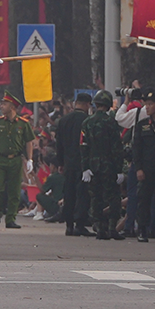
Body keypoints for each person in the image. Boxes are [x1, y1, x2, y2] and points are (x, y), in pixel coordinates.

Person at [0, 94, 36, 228]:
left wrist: (30, 159)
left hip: (16, 159)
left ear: (12, 107)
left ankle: (10, 219)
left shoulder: (23, 124)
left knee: (14, 190)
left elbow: (29, 141)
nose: (1, 106)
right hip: (0, 159)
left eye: (5, 104)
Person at [83, 89, 124, 239]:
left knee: (96, 197)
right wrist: (119, 169)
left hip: (93, 165)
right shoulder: (111, 122)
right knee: (113, 196)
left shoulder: (87, 122)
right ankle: (113, 228)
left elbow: (84, 147)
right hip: (109, 165)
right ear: (107, 105)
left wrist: (85, 167)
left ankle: (99, 229)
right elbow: (116, 148)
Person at [56, 92, 91, 235]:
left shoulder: (63, 120)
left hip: (68, 162)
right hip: (83, 163)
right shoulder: (87, 120)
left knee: (69, 193)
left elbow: (59, 144)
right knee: (82, 194)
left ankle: (69, 225)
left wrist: (60, 162)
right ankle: (80, 224)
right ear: (87, 104)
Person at [129, 92, 155, 242]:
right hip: (146, 169)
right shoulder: (142, 125)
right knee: (144, 200)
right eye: (146, 104)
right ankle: (142, 229)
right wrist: (139, 168)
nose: (147, 107)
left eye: (150, 104)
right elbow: (137, 148)